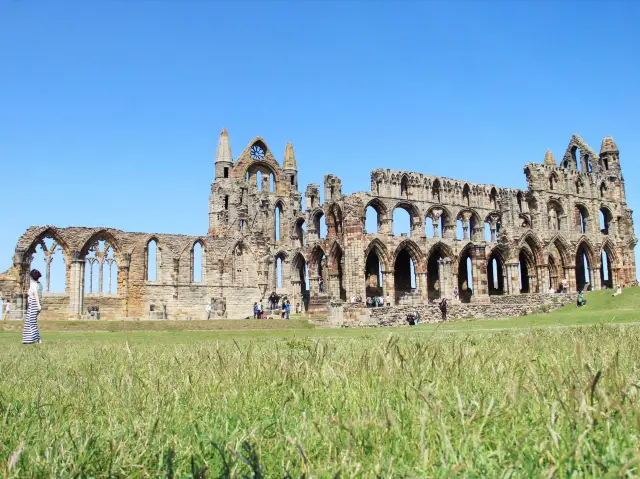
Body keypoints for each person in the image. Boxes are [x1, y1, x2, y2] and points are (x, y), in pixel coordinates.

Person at [23, 269, 43, 344]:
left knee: (31, 322)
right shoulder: (40, 284)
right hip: (37, 303)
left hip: (33, 303)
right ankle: (28, 340)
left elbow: (36, 295)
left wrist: (38, 305)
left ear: (31, 277)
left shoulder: (33, 285)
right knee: (30, 322)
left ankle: (37, 340)